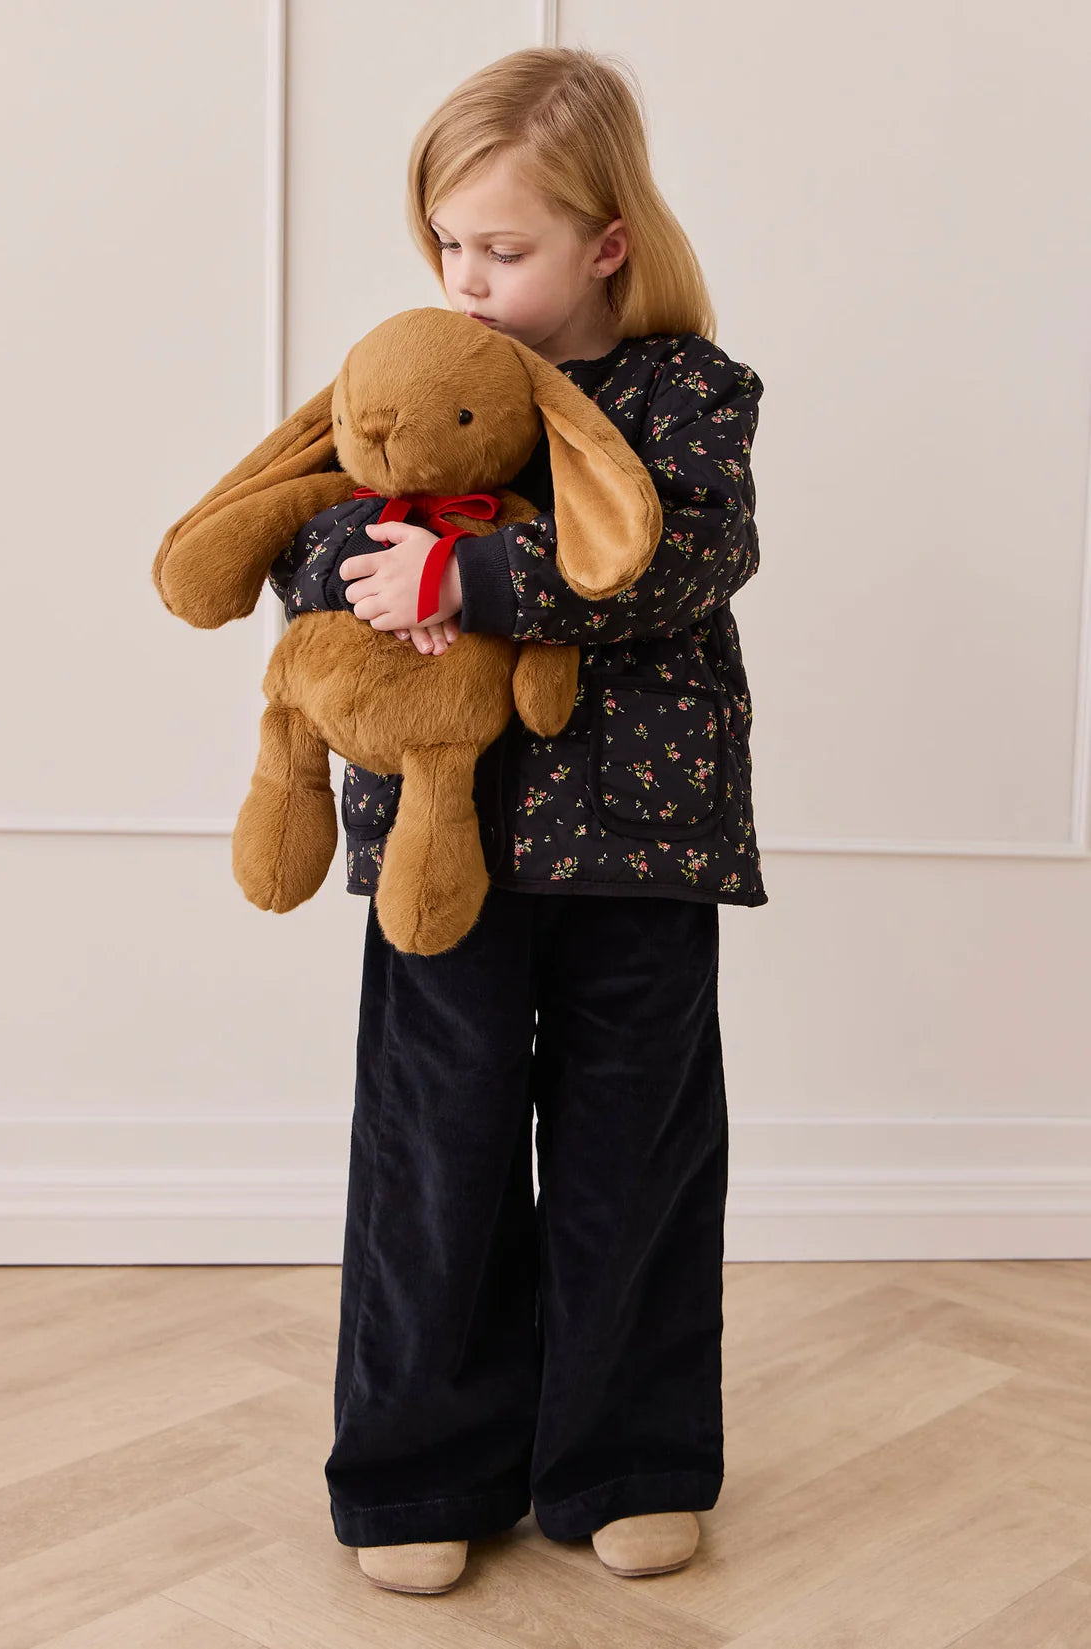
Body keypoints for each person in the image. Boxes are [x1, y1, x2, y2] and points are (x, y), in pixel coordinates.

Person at [279, 45, 768, 1596]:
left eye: (504, 247)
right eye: (447, 243)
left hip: (643, 837)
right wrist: (380, 573)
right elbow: (304, 526)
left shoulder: (688, 392)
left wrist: (479, 576)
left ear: (607, 242)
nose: (467, 279)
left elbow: (689, 554)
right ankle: (422, 1467)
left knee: (638, 1152)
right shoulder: (420, 367)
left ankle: (628, 1457)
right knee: (437, 1148)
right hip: (449, 845)